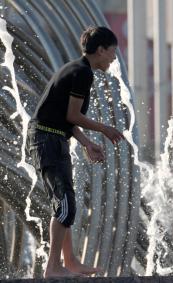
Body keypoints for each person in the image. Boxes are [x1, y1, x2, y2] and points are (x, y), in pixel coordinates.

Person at [26, 26, 124, 278]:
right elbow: (73, 115)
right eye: (113, 51)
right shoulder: (82, 73)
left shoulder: (77, 69)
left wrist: (85, 143)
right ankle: (53, 267)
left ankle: (69, 261)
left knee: (64, 204)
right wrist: (103, 129)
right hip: (47, 139)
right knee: (66, 207)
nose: (114, 57)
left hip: (53, 137)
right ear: (101, 49)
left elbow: (63, 116)